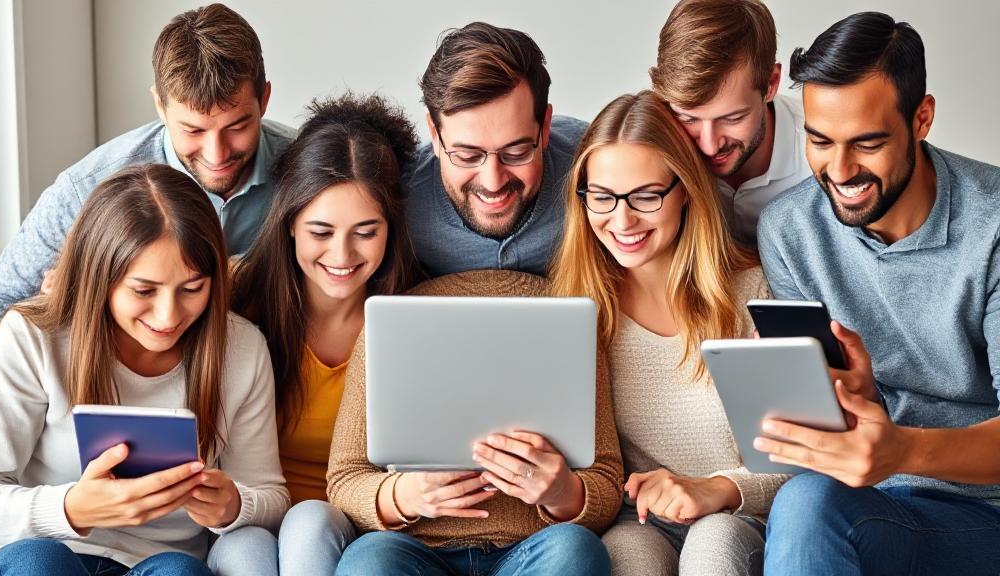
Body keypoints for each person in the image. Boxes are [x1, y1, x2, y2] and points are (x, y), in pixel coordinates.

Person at [756, 12, 1000, 574]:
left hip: (986, 512)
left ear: (922, 118)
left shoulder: (991, 225)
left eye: (867, 143)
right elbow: (835, 427)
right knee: (805, 502)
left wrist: (903, 450)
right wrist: (858, 396)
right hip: (872, 503)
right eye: (819, 140)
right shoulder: (791, 231)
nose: (840, 171)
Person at [0, 164, 288, 575]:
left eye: (192, 288)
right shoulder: (34, 335)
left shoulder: (242, 348)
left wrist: (233, 504)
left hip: (155, 563)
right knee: (39, 562)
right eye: (144, 290)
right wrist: (70, 508)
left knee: (179, 571)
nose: (168, 315)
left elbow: (270, 495)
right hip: (44, 552)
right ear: (99, 278)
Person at [0, 3, 295, 376]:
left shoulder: (307, 171)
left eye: (237, 127)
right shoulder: (87, 188)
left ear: (264, 99)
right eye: (193, 130)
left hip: (264, 377)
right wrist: (57, 307)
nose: (217, 154)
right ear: (160, 105)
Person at [550, 90, 787, 576]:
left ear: (686, 191)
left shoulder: (753, 293)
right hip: (640, 521)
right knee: (627, 557)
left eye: (646, 196)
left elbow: (802, 458)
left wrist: (718, 489)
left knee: (712, 541)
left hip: (740, 516)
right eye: (602, 197)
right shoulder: (581, 312)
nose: (622, 220)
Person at [206, 93, 420, 576]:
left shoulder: (413, 315)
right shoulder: (235, 294)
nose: (342, 255)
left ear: (390, 229)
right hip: (246, 517)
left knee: (309, 521)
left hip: (352, 525)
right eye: (321, 232)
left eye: (365, 232)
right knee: (244, 552)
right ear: (289, 224)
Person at [326, 269, 622, 575]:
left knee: (576, 551)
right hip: (412, 551)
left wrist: (562, 493)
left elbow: (607, 482)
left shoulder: (568, 317)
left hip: (535, 550)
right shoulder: (390, 321)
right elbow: (345, 480)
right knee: (368, 564)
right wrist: (405, 496)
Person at [405, 22, 587, 278]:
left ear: (545, 127)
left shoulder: (594, 163)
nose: (493, 183)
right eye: (467, 156)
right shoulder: (398, 193)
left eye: (516, 153)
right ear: (435, 134)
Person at [650, 0, 808, 247]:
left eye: (732, 118)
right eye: (689, 118)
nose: (710, 146)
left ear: (771, 84)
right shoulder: (648, 147)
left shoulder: (825, 154)